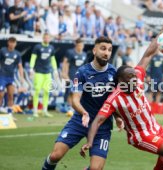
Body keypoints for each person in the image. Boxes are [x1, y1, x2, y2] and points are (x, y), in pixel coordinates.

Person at [80, 20, 163, 170]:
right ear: (120, 81)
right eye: (130, 77)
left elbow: (148, 54)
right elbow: (97, 121)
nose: (135, 78)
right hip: (140, 136)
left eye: (134, 75)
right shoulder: (114, 98)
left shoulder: (137, 76)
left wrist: (162, 32)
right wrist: (90, 142)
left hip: (155, 128)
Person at [42, 36, 121, 170]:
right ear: (94, 50)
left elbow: (115, 100)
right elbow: (75, 99)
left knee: (96, 168)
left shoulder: (114, 74)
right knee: (55, 155)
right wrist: (83, 112)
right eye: (103, 49)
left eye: (109, 50)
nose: (106, 52)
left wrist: (118, 117)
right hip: (80, 121)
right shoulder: (82, 72)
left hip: (102, 125)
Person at [30, 33, 58, 118]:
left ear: (49, 39)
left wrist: (55, 69)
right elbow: (33, 57)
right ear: (43, 38)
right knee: (37, 90)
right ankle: (35, 110)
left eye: (48, 38)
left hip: (48, 73)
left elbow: (53, 59)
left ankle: (45, 111)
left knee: (47, 91)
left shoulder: (51, 48)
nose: (46, 39)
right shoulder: (37, 47)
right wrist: (31, 68)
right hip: (39, 72)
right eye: (45, 38)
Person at [61, 38, 87, 114]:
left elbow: (84, 66)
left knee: (79, 92)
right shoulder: (70, 52)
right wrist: (64, 73)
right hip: (70, 75)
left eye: (82, 45)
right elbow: (65, 63)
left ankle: (75, 107)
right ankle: (68, 107)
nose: (80, 47)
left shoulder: (84, 54)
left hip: (80, 76)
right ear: (76, 45)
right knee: (69, 91)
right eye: (79, 45)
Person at [0, 37, 24, 118]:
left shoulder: (17, 54)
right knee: (1, 94)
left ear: (15, 44)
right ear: (8, 42)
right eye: (11, 42)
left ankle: (10, 114)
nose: (12, 44)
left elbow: (20, 66)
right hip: (2, 76)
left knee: (11, 95)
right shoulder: (3, 51)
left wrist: (21, 77)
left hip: (11, 77)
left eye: (14, 42)